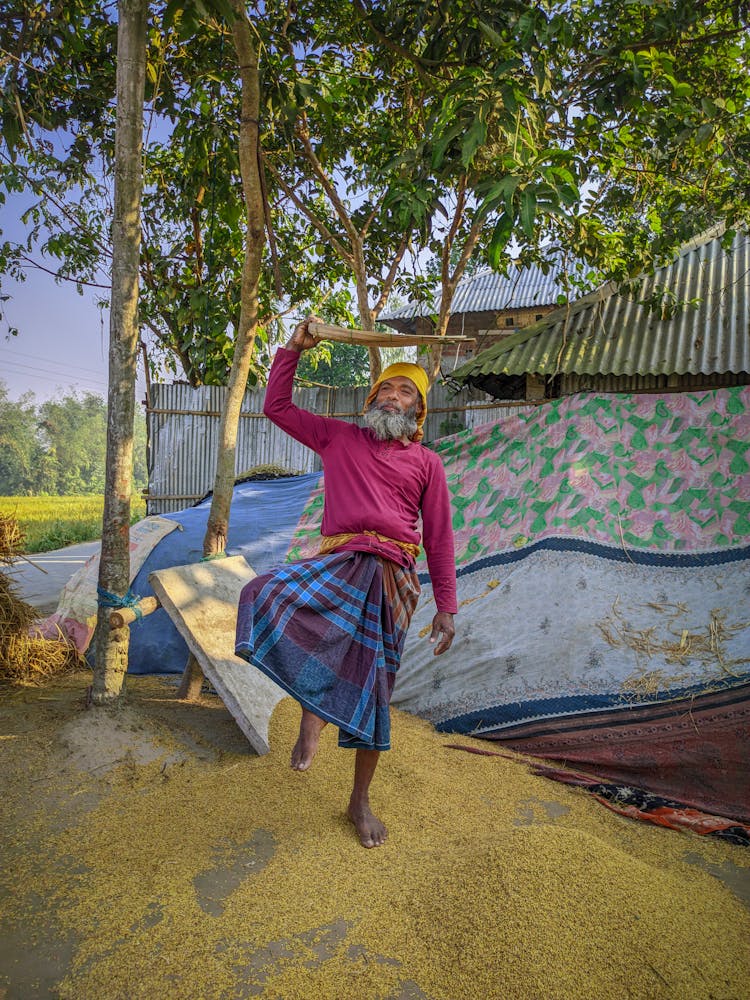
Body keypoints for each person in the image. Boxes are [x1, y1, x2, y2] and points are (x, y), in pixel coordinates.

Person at [235, 316, 457, 848]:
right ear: (371, 400)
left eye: (405, 392)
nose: (392, 396)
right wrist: (293, 348)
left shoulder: (428, 462)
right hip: (338, 562)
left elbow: (440, 538)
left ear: (418, 411)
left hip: (394, 579)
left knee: (374, 691)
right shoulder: (338, 437)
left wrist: (447, 606)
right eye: (385, 388)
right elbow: (276, 408)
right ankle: (312, 713)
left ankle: (359, 802)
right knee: (259, 594)